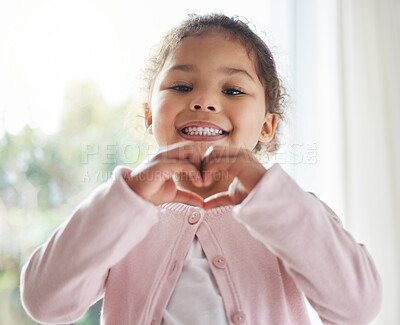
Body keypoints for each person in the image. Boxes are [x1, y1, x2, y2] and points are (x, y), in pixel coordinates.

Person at [20, 13, 382, 325]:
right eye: (181, 86)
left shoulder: (291, 214)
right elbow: (44, 302)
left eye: (234, 91)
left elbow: (357, 307)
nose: (204, 101)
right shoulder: (119, 214)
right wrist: (129, 198)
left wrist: (271, 195)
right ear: (149, 117)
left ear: (267, 126)